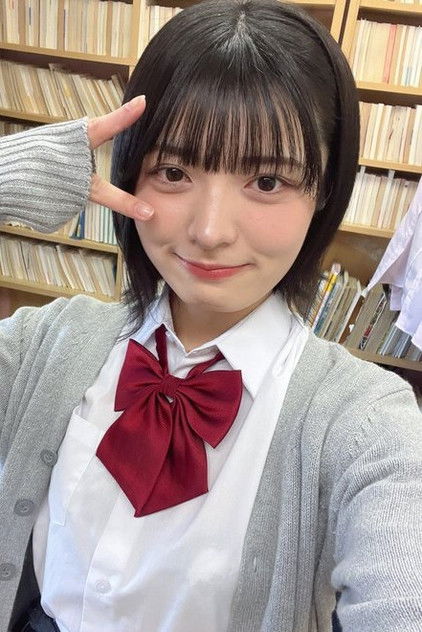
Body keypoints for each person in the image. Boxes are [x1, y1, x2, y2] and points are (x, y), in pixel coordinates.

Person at [0, 1, 421, 631]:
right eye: (173, 172)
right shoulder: (46, 342)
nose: (210, 231)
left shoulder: (365, 421)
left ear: (324, 192)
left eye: (268, 182)